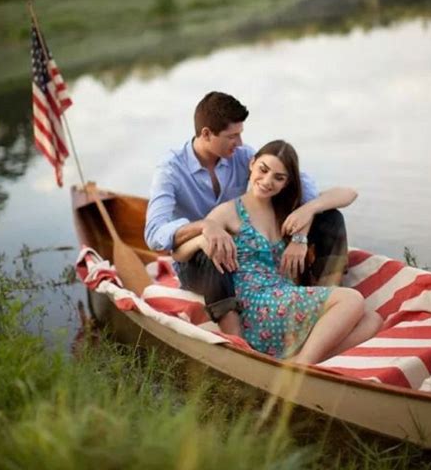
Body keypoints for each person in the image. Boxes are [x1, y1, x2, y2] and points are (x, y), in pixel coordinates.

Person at [145, 91, 348, 336]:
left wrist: (302, 231)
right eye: (232, 136)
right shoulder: (170, 170)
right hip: (196, 260)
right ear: (207, 134)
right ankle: (235, 339)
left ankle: (326, 298)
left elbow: (300, 183)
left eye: (240, 134)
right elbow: (154, 233)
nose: (240, 142)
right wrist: (205, 227)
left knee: (329, 217)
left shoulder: (241, 157)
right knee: (213, 249)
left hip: (240, 252)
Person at [172, 140, 382, 364]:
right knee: (352, 300)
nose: (267, 181)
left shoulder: (287, 210)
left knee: (373, 319)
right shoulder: (229, 212)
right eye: (263, 170)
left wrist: (309, 210)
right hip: (258, 305)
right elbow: (178, 253)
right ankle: (302, 365)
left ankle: (299, 360)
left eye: (278, 177)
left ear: (286, 182)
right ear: (252, 164)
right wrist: (203, 238)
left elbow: (348, 194)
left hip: (283, 295)